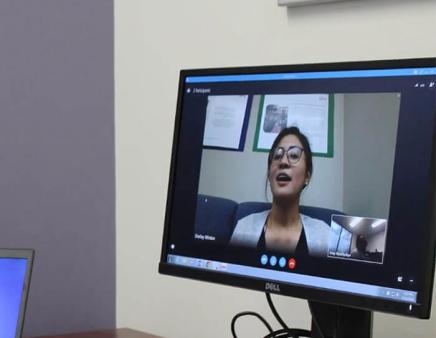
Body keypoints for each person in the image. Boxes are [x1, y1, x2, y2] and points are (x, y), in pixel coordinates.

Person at [230, 126, 330, 257]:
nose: (283, 162)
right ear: (270, 174)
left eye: (294, 155)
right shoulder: (244, 227)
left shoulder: (325, 234)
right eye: (277, 156)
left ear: (307, 176)